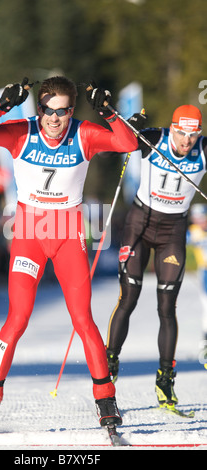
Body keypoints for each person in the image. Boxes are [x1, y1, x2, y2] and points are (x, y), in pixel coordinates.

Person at [0, 76, 138, 434]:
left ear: (71, 110)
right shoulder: (21, 131)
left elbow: (127, 142)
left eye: (62, 111)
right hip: (29, 232)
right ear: (39, 107)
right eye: (47, 110)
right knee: (18, 318)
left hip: (66, 233)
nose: (54, 119)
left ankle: (106, 402)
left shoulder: (84, 133)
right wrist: (0, 107)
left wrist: (108, 112)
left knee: (82, 320)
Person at [105, 104, 207, 410]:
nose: (186, 141)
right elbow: (118, 141)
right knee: (130, 297)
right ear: (172, 128)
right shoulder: (153, 139)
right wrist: (118, 119)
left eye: (192, 135)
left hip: (173, 231)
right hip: (140, 223)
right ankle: (109, 364)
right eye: (181, 133)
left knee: (167, 306)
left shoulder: (202, 149)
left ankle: (165, 379)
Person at [187, 203, 207, 359]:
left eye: (202, 217)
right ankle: (205, 341)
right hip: (204, 272)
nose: (200, 221)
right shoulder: (192, 232)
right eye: (196, 218)